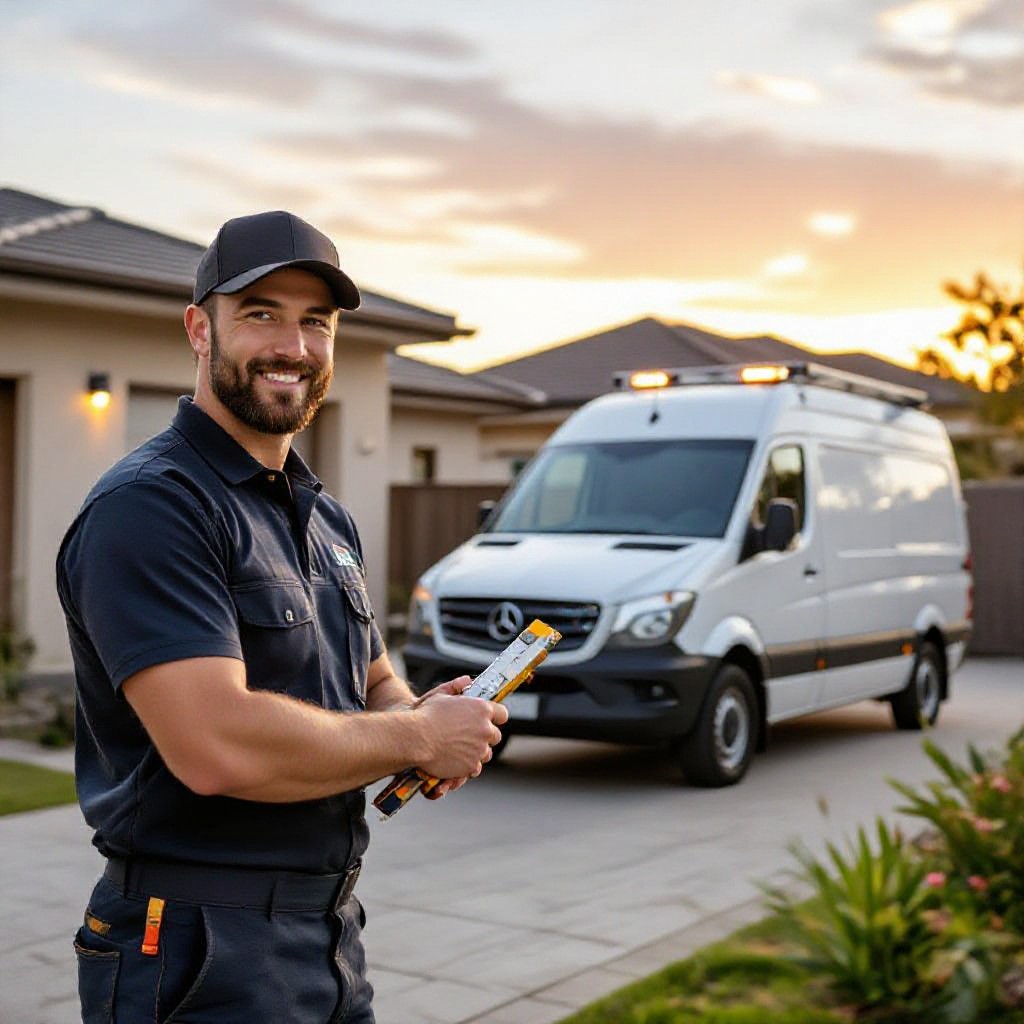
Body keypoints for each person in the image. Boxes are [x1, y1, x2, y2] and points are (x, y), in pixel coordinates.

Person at [56, 210, 508, 1023]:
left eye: (316, 323)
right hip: (192, 950)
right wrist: (415, 738)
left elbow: (371, 677)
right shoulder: (154, 507)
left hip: (325, 933)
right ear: (200, 329)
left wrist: (427, 718)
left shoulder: (323, 518)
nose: (293, 348)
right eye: (261, 313)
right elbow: (214, 746)